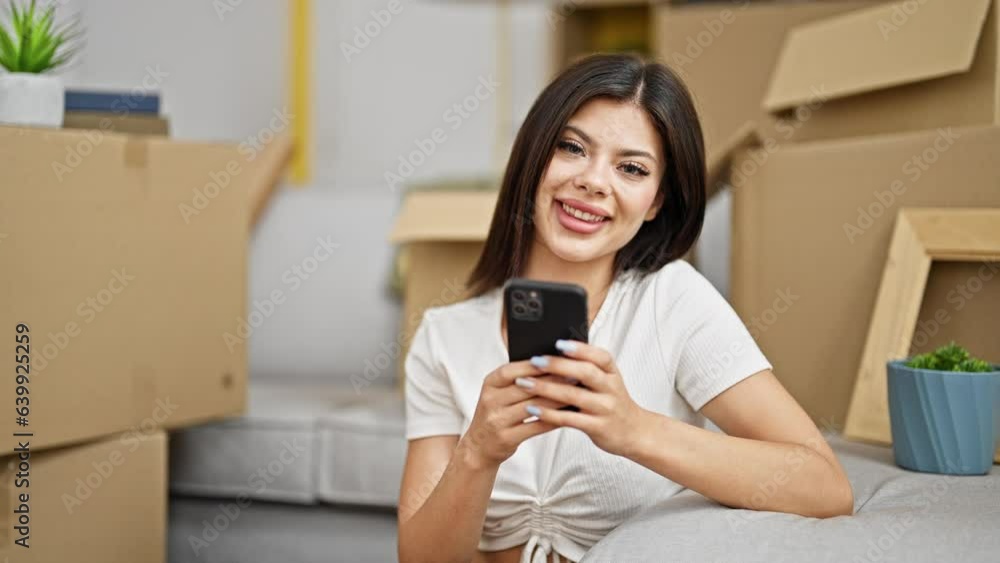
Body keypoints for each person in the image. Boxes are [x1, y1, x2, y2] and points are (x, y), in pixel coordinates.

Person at [397, 53, 853, 563]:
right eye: (572, 148)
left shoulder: (674, 301)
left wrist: (634, 429)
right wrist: (476, 454)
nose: (594, 181)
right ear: (533, 158)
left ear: (656, 201)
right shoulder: (443, 336)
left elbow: (824, 485)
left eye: (631, 168)